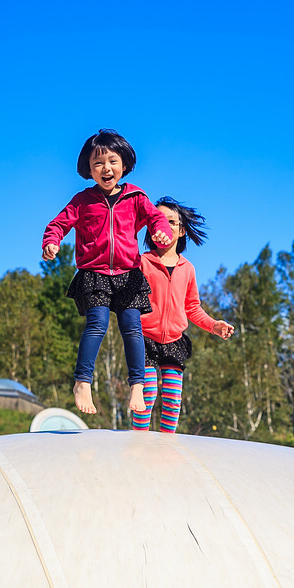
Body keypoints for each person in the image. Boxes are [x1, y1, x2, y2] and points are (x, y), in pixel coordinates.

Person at [42, 130, 173, 415]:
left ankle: (137, 385)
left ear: (124, 165)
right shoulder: (82, 200)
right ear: (89, 169)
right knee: (97, 323)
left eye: (113, 161)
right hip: (95, 272)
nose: (106, 168)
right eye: (98, 163)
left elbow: (155, 217)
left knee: (132, 327)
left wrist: (161, 232)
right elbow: (58, 224)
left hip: (128, 273)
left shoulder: (136, 197)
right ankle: (82, 381)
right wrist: (51, 241)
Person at [132, 197, 234, 433]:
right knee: (147, 393)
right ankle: (138, 441)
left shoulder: (187, 269)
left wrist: (213, 325)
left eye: (171, 222)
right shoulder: (142, 263)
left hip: (174, 341)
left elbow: (193, 308)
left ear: (182, 231)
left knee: (172, 400)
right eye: (158, 221)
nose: (165, 226)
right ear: (150, 228)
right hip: (144, 338)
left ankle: (167, 445)